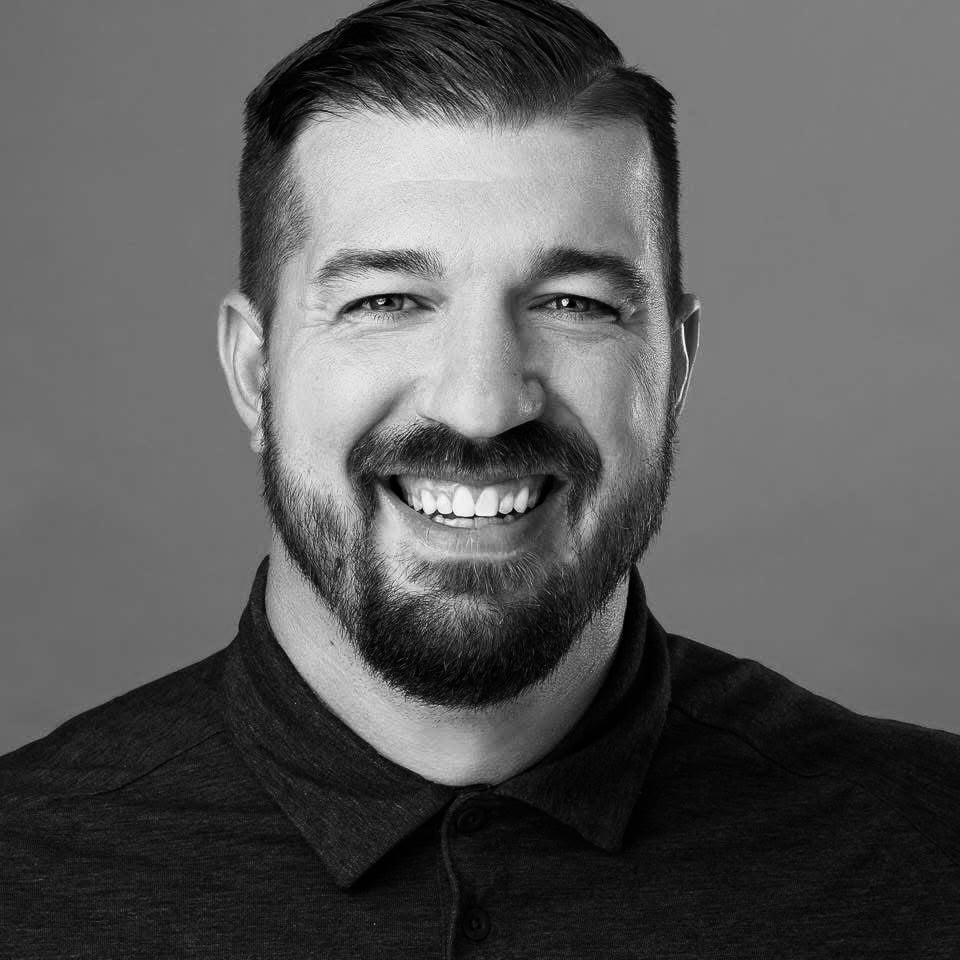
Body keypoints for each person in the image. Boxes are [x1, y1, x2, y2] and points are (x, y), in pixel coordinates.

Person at [2, 0, 958, 955]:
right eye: (387, 300)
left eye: (573, 303)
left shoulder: (929, 851)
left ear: (673, 370)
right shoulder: (24, 873)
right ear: (255, 373)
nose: (482, 404)